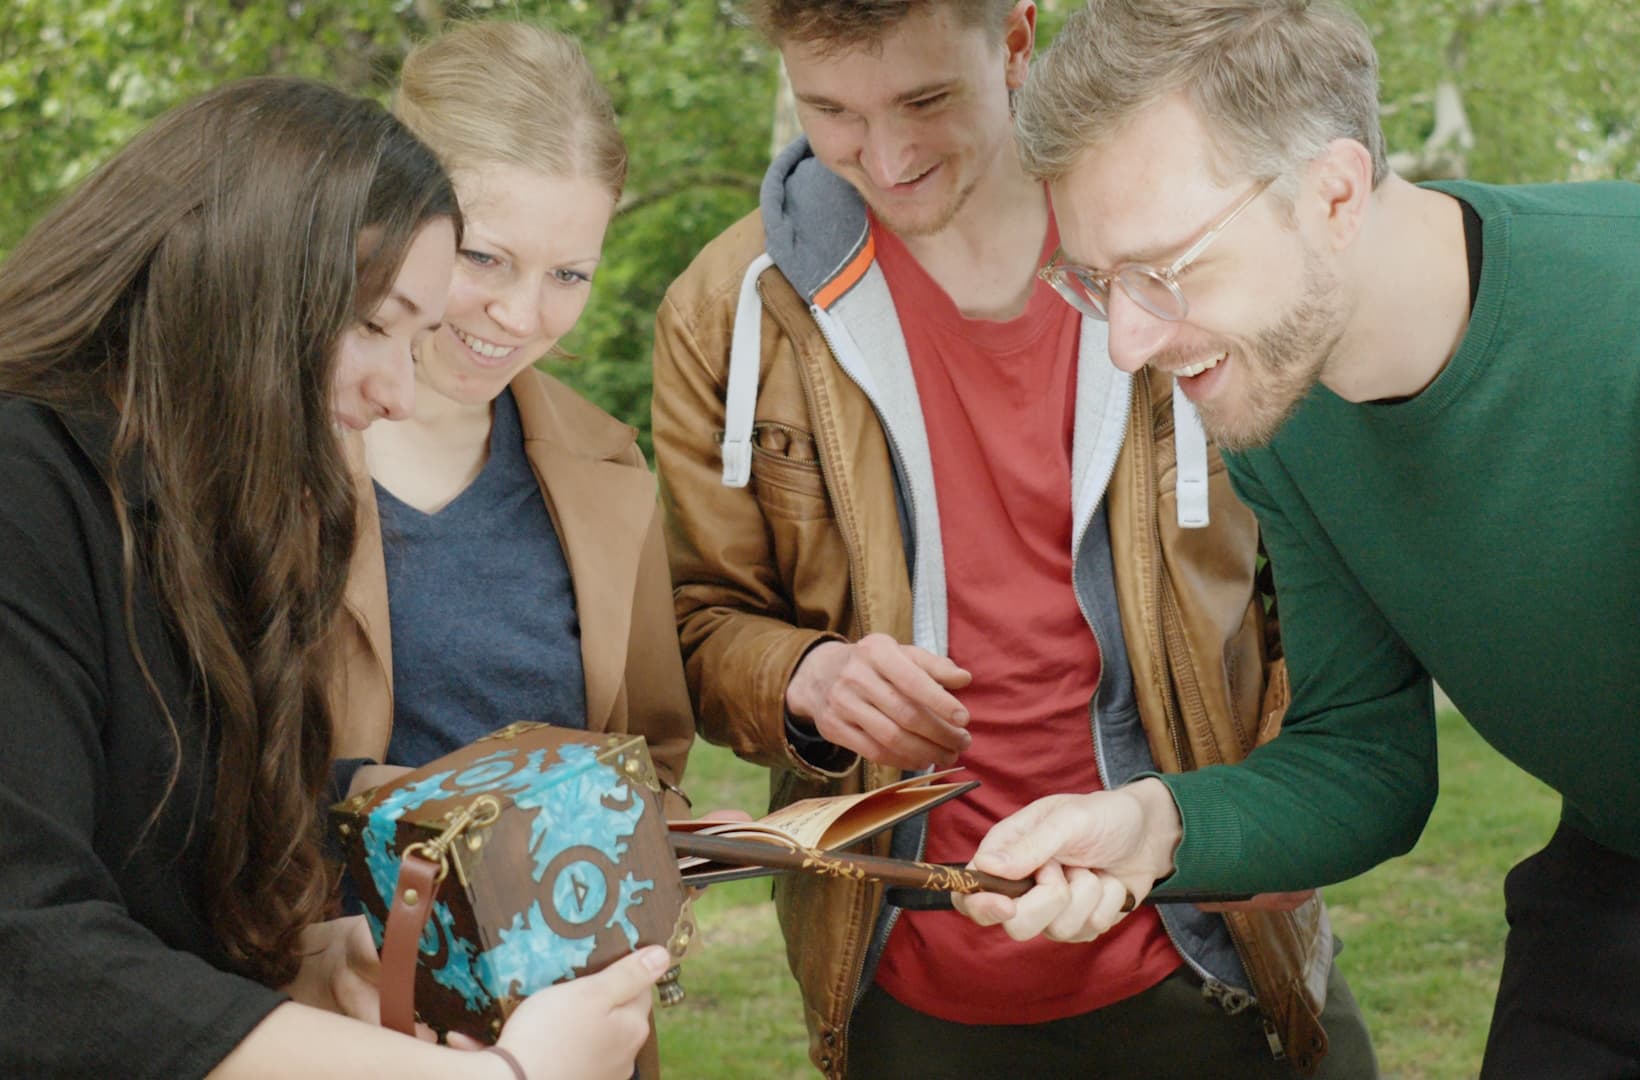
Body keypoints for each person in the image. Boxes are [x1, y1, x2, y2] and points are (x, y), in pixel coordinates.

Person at [956, 1, 1640, 1076]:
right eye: (1095, 281)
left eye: (1161, 271)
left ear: (1332, 192)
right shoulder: (1279, 410)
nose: (1129, 340)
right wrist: (1153, 827)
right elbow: (1364, 756)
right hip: (1626, 882)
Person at [650, 1, 1379, 1076]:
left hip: (1209, 936)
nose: (886, 158)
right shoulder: (727, 307)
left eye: (926, 100)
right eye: (830, 112)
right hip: (908, 974)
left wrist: (1263, 817)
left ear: (1017, 37)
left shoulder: (1168, 247)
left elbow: (1313, 582)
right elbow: (701, 626)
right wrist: (808, 676)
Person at [0, 76, 669, 1080]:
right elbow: (32, 947)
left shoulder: (172, 495)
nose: (397, 390)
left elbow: (157, 796)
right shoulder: (27, 487)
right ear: (244, 277)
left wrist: (311, 951)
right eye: (375, 325)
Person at [329, 21, 696, 815]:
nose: (521, 315)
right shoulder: (256, 438)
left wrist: (677, 839)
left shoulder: (609, 472)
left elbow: (652, 766)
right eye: (485, 257)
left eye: (568, 274)